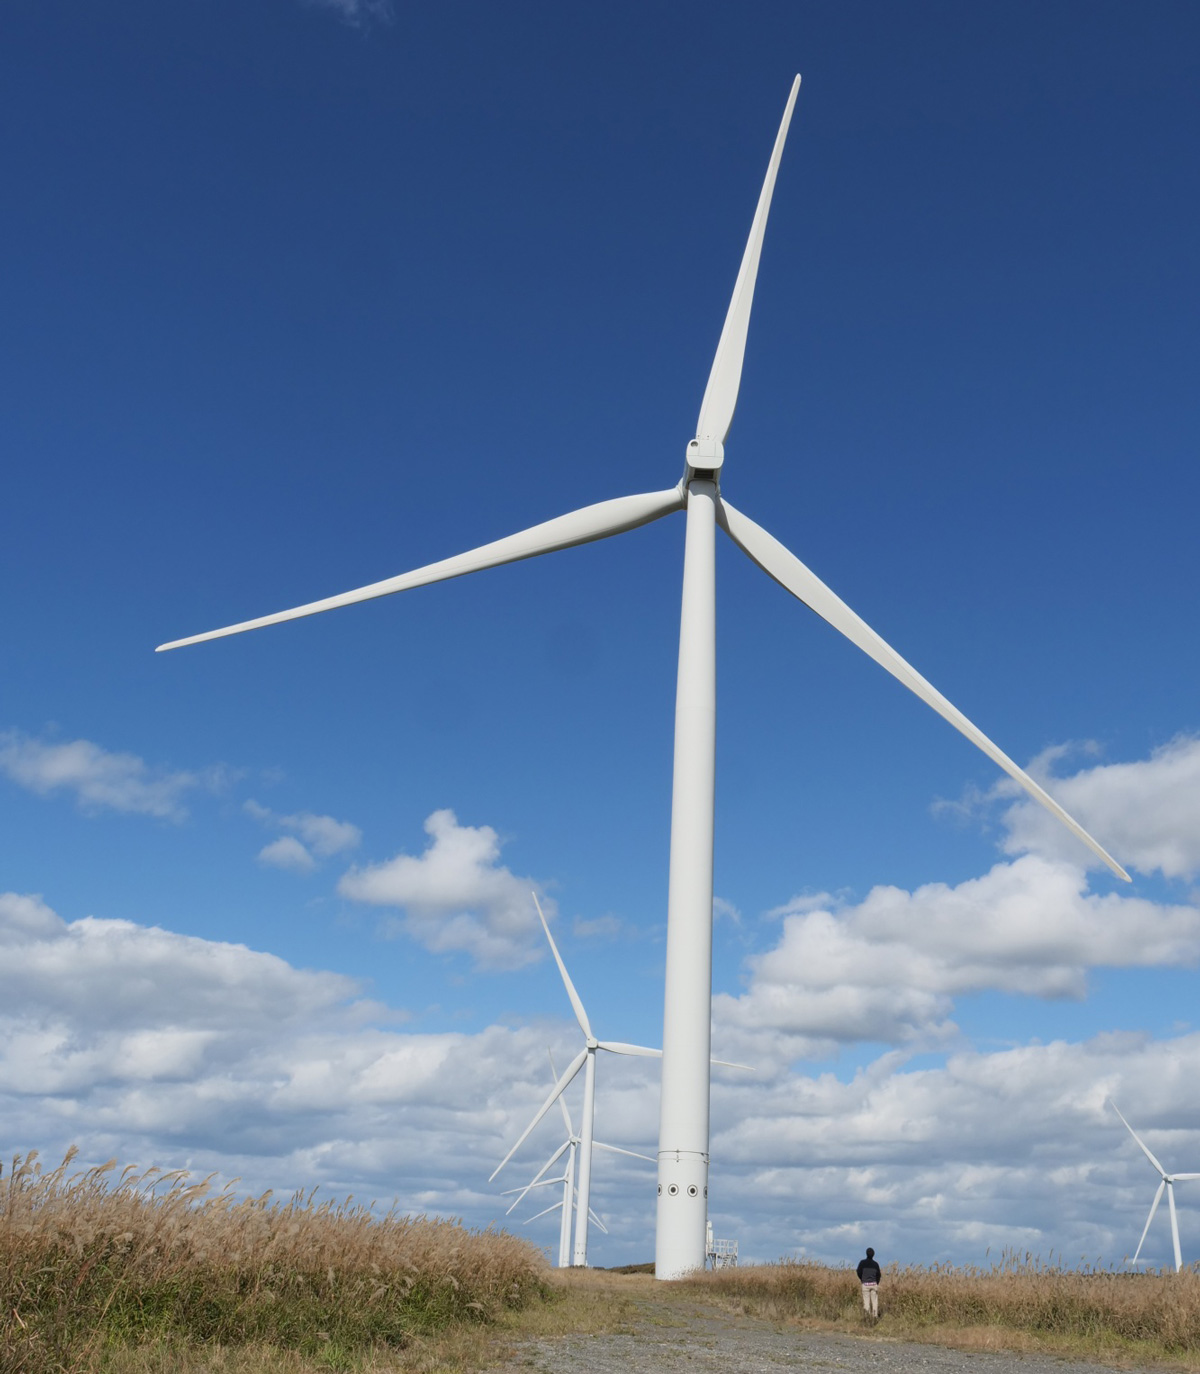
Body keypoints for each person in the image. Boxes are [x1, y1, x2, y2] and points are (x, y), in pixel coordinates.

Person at [856, 1246, 881, 1318]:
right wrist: (877, 1282)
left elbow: (858, 1272)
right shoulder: (875, 1264)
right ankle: (875, 1316)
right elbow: (878, 1275)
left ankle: (867, 1317)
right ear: (873, 1254)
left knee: (866, 1302)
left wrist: (862, 1279)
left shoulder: (862, 1263)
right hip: (874, 1284)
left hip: (865, 1284)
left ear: (866, 1254)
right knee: (875, 1301)